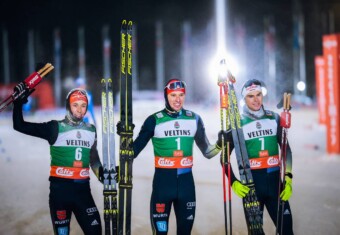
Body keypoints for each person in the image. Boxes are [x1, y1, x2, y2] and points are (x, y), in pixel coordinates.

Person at [129, 78, 225, 235]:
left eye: (181, 95)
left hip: (186, 186)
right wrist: (124, 139)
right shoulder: (154, 120)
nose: (177, 99)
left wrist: (220, 144)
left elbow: (208, 152)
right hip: (162, 185)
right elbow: (132, 151)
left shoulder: (194, 119)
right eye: (173, 95)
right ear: (166, 95)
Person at [12, 84, 103, 235]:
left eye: (83, 105)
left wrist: (104, 176)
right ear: (68, 106)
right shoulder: (55, 127)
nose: (79, 110)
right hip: (60, 194)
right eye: (75, 105)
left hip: (83, 193)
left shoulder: (91, 130)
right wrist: (17, 103)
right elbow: (19, 125)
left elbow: (94, 161)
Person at [224, 79, 293, 234]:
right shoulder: (237, 124)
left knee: (287, 231)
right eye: (251, 96)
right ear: (244, 99)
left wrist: (288, 177)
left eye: (259, 95)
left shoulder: (274, 118)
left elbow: (286, 149)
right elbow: (224, 157)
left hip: (276, 185)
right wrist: (234, 182)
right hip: (251, 187)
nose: (256, 99)